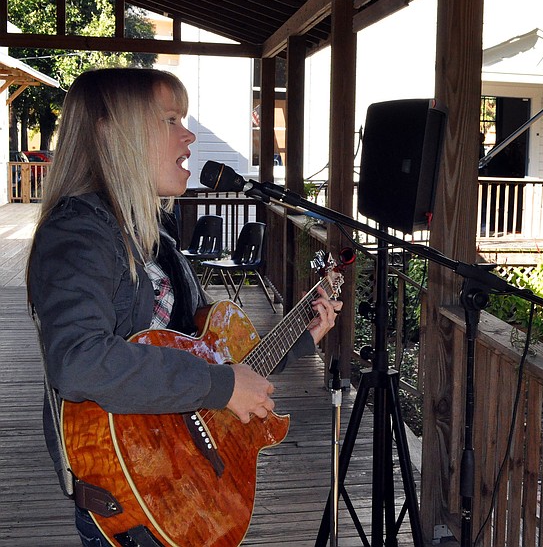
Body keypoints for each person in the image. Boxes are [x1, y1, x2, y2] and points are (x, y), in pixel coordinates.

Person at [26, 67, 342, 545]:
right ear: (113, 132)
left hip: (179, 476)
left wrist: (300, 337)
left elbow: (206, 349)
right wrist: (218, 385)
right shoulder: (79, 231)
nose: (189, 135)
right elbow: (78, 361)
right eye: (171, 119)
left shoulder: (156, 233)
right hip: (134, 491)